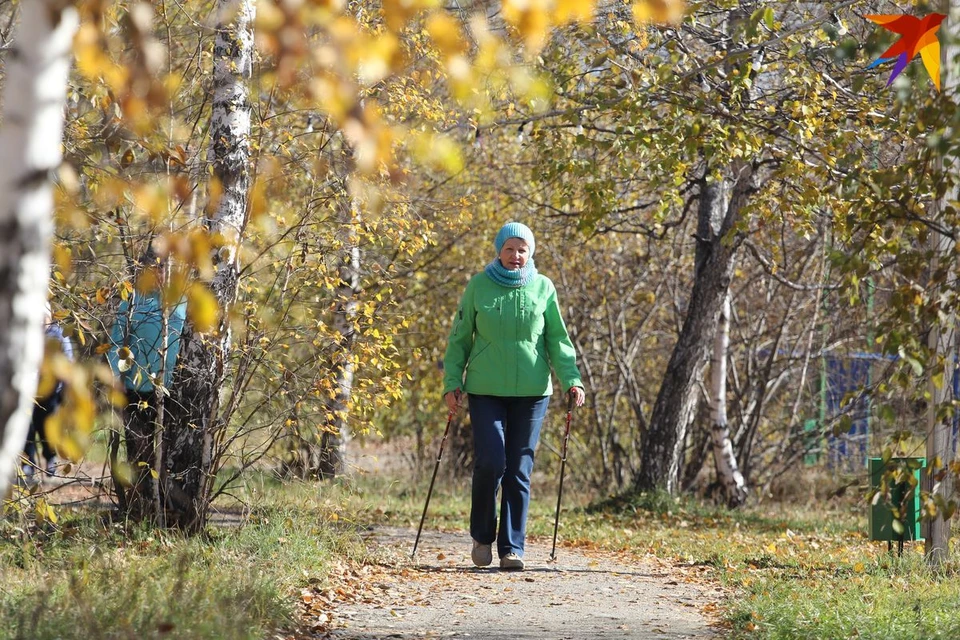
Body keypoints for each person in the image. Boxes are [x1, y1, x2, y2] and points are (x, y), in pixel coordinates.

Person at [443, 221, 585, 571]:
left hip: (533, 391)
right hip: (485, 388)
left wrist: (572, 379)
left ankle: (512, 548)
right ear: (499, 250)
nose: (516, 255)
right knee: (491, 462)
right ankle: (481, 536)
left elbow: (558, 339)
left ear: (530, 253)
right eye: (510, 249)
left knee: (519, 469)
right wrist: (451, 382)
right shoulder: (478, 286)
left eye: (522, 249)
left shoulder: (543, 288)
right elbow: (459, 338)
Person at [107, 248, 186, 516]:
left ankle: (169, 507)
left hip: (173, 391)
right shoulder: (131, 302)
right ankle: (139, 507)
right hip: (136, 390)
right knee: (138, 450)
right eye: (155, 267)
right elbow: (119, 344)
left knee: (169, 453)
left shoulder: (183, 301)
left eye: (165, 267)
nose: (161, 272)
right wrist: (117, 378)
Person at [22, 304, 74, 482]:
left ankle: (50, 459)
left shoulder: (59, 335)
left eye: (44, 316)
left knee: (47, 428)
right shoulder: (26, 333)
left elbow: (68, 362)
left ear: (50, 316)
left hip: (51, 392)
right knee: (26, 428)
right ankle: (28, 462)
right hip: (27, 390)